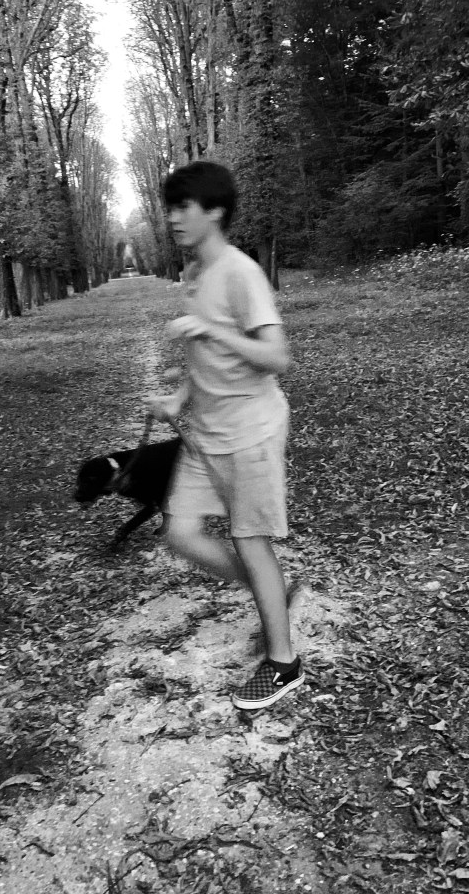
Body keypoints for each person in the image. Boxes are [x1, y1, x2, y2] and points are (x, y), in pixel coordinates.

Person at [148, 160, 304, 712]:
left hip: (250, 432)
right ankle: (273, 593)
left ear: (214, 211)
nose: (173, 218)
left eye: (183, 207)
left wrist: (211, 328)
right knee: (181, 532)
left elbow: (277, 357)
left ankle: (284, 663)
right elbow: (205, 357)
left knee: (249, 540)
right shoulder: (195, 273)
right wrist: (179, 398)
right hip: (206, 431)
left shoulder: (241, 273)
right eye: (169, 208)